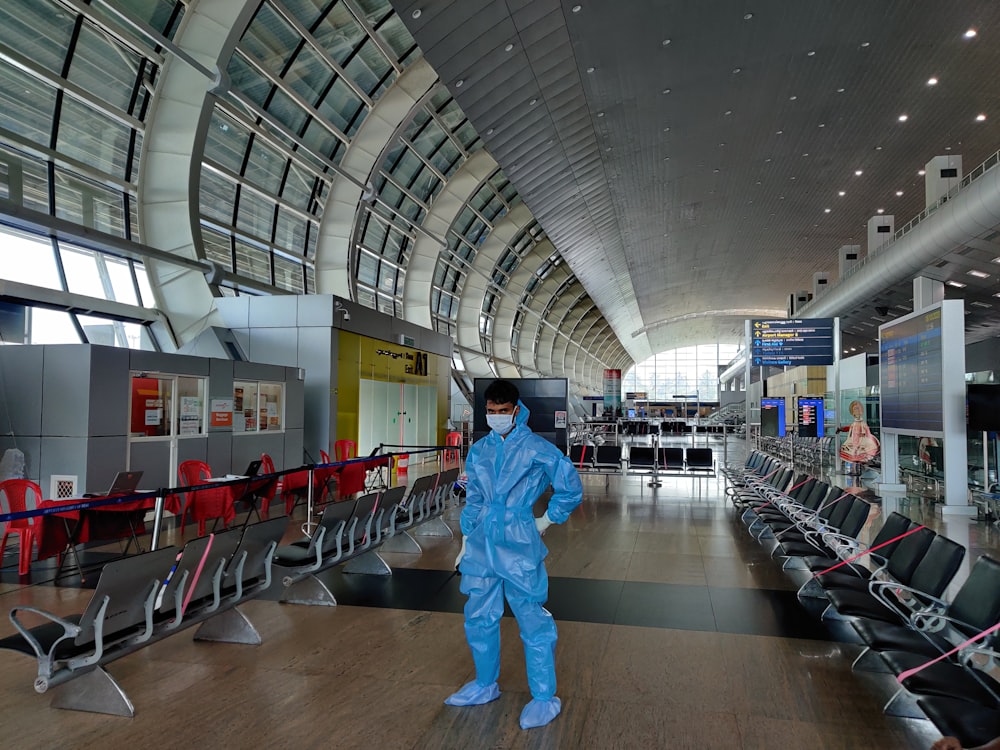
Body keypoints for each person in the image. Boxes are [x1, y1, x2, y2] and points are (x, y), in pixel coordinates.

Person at [445, 379, 583, 730]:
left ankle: (543, 696)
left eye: (502, 412)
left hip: (519, 542)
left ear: (516, 410)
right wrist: (465, 539)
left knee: (531, 619)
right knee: (478, 616)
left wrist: (546, 520)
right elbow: (474, 497)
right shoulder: (480, 450)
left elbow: (569, 485)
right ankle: (484, 684)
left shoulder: (536, 448)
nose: (496, 418)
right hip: (481, 544)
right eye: (490, 412)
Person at [838, 399, 880, 463]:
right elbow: (850, 428)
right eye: (855, 409)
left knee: (860, 453)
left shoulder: (862, 424)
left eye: (858, 409)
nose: (857, 411)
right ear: (853, 412)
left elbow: (866, 432)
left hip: (861, 440)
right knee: (852, 452)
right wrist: (842, 429)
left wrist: (867, 440)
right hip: (854, 440)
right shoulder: (854, 423)